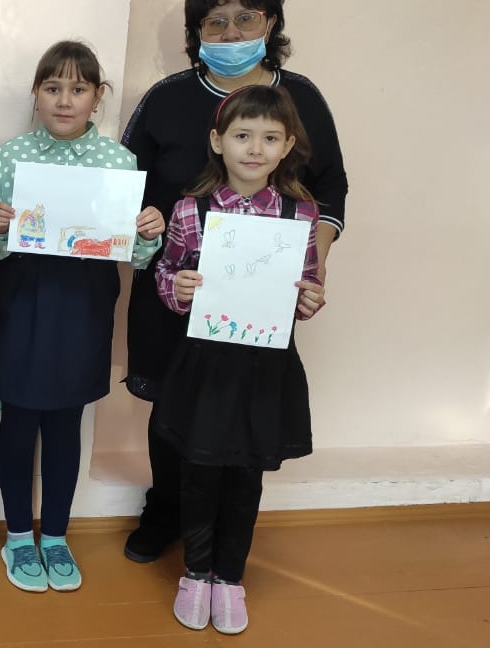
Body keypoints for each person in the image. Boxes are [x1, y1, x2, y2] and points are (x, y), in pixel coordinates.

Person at [121, 0, 348, 563]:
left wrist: (313, 265)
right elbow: (123, 179)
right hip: (176, 283)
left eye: (245, 18)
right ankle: (166, 511)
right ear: (196, 32)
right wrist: (140, 222)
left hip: (257, 299)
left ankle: (224, 540)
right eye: (214, 21)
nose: (230, 32)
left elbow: (331, 187)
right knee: (173, 405)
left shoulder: (300, 99)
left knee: (240, 408)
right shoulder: (167, 98)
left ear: (270, 23)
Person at [0, 41, 165, 593]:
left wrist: (148, 234)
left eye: (78, 89)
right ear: (36, 94)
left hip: (83, 304)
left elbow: (132, 255)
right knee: (18, 421)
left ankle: (56, 536)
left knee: (65, 422)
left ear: (97, 97)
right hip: (21, 299)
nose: (65, 100)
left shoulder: (118, 162)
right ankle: (19, 536)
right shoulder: (11, 155)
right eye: (52, 88)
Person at [154, 85, 325, 634]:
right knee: (199, 470)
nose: (254, 148)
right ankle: (195, 573)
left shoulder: (301, 214)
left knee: (246, 474)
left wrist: (310, 299)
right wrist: (177, 287)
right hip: (206, 364)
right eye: (243, 135)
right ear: (217, 141)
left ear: (287, 146)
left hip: (265, 368)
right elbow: (166, 273)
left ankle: (230, 577)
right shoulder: (191, 210)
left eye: (270, 138)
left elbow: (308, 284)